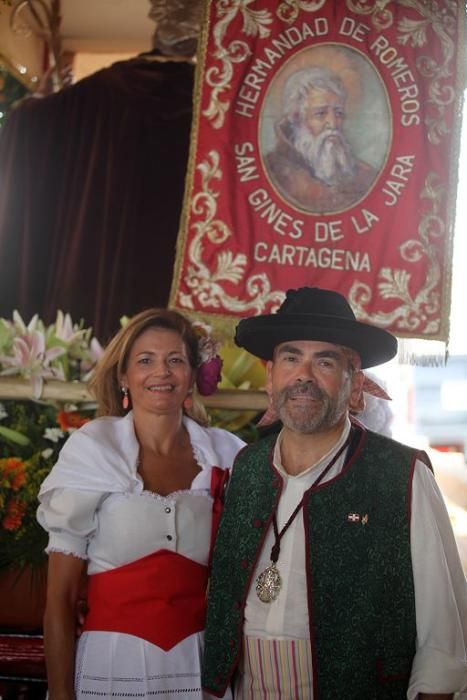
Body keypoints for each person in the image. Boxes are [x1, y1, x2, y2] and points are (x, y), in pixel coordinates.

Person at [202, 287, 467, 699]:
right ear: (271, 378)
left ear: (354, 382)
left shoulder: (403, 474)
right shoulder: (247, 466)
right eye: (291, 358)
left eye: (324, 361)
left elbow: (443, 639)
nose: (303, 375)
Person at [37, 308, 245, 699]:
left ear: (191, 376)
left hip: (199, 666)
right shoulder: (94, 449)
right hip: (111, 665)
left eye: (175, 360)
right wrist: (61, 694)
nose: (161, 372)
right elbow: (59, 601)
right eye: (146, 360)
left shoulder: (227, 453)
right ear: (123, 377)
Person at [265, 66, 377, 214]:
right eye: (320, 113)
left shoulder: (366, 175)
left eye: (338, 113)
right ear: (296, 117)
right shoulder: (272, 172)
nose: (332, 123)